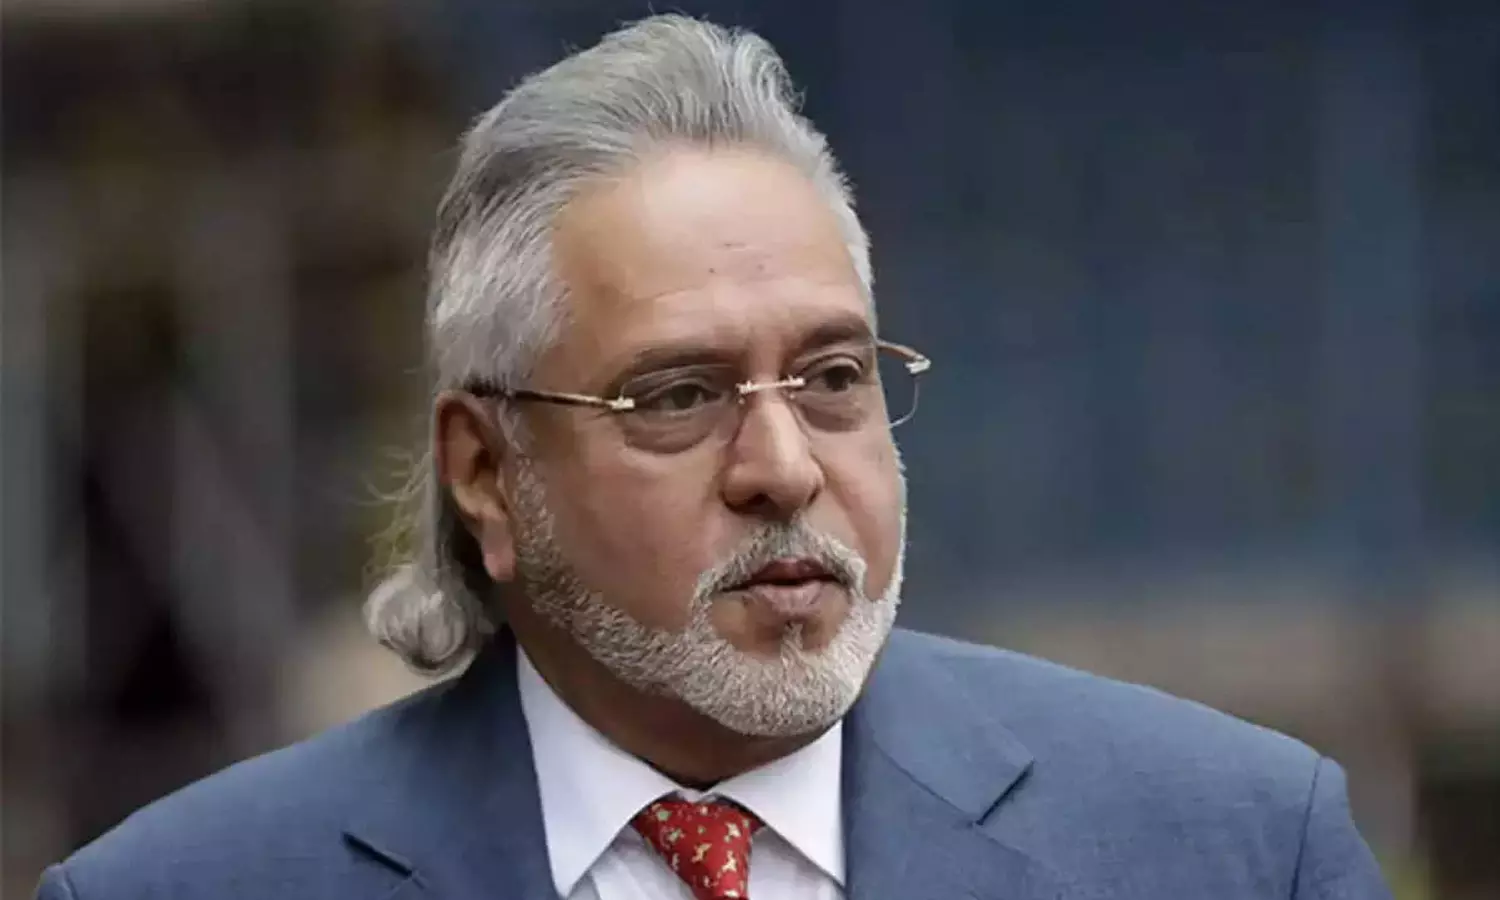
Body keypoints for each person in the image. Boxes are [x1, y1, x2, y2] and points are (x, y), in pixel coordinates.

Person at [37, 14, 1391, 900]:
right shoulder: (182, 889)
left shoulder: (1234, 848)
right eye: (678, 395)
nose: (784, 468)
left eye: (835, 377)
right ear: (487, 472)